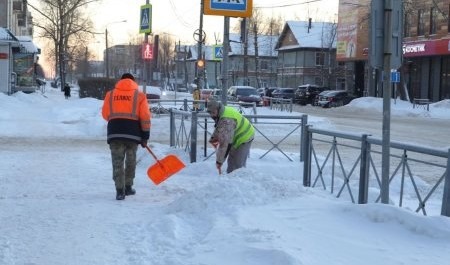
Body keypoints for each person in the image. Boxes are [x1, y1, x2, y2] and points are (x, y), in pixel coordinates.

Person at [101, 73, 151, 200]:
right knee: (131, 161)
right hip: (132, 134)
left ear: (120, 81)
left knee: (117, 163)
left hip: (115, 132)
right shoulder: (139, 96)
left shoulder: (110, 94)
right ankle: (128, 187)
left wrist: (116, 119)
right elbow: (145, 117)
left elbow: (105, 114)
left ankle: (119, 191)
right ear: (133, 82)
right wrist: (145, 136)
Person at [206, 99, 255, 174]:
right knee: (231, 159)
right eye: (210, 113)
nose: (212, 115)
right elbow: (220, 127)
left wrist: (219, 161)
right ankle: (230, 177)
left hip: (245, 136)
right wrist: (214, 138)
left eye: (213, 112)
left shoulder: (227, 120)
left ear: (217, 109)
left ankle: (238, 181)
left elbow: (225, 144)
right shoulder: (222, 112)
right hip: (236, 135)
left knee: (238, 164)